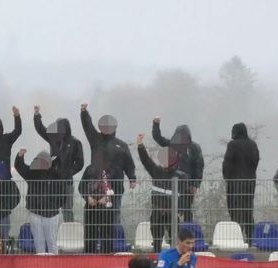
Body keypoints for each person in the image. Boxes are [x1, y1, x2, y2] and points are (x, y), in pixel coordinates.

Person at [79, 103, 136, 251]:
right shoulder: (95, 139)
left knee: (110, 225)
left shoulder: (121, 145)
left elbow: (129, 163)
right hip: (94, 191)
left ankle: (108, 253)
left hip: (114, 191)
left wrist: (132, 178)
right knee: (91, 228)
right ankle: (90, 254)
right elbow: (87, 127)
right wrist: (84, 112)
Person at [32, 108, 84, 222]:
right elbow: (40, 129)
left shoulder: (75, 142)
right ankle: (52, 236)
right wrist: (37, 115)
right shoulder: (53, 139)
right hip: (52, 182)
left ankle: (69, 234)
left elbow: (80, 162)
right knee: (51, 210)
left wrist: (68, 172)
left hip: (67, 183)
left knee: (67, 209)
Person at [136, 133, 186, 251]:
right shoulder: (156, 171)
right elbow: (146, 160)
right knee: (157, 239)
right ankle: (157, 259)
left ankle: (174, 260)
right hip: (157, 211)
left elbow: (184, 196)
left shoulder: (181, 176)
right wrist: (140, 145)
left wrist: (180, 211)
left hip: (173, 213)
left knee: (175, 239)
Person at [152, 118, 204, 223]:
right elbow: (158, 138)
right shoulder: (172, 144)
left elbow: (199, 166)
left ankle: (187, 231)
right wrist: (156, 124)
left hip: (187, 183)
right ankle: (175, 233)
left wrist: (196, 184)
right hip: (172, 182)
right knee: (170, 207)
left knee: (187, 208)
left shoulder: (194, 148)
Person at [14, 148, 63, 253]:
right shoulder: (32, 172)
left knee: (52, 243)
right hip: (35, 214)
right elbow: (20, 166)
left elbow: (62, 192)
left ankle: (54, 266)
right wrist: (20, 156)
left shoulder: (55, 174)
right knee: (38, 243)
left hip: (52, 215)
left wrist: (56, 205)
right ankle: (41, 267)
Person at [221, 123, 261, 243]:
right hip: (250, 183)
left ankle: (236, 238)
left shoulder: (232, 145)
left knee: (235, 209)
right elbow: (256, 161)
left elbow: (227, 162)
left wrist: (227, 177)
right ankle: (250, 238)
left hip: (235, 183)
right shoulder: (253, 144)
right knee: (248, 210)